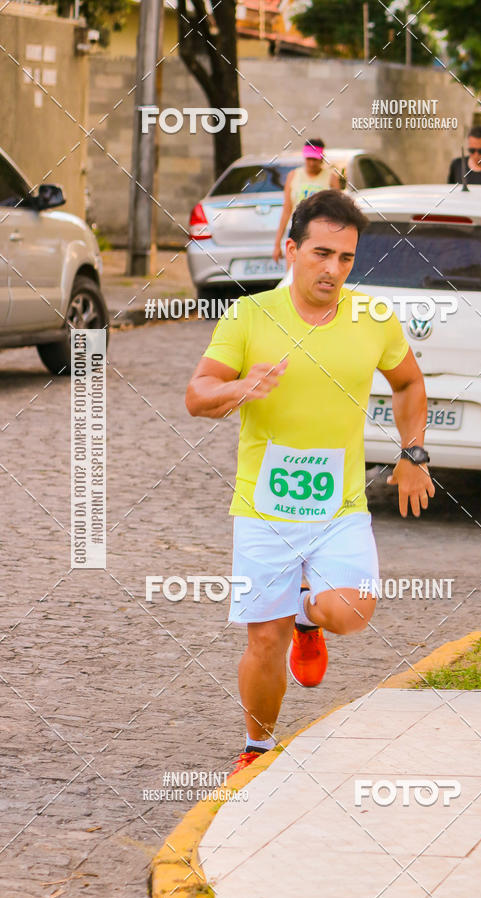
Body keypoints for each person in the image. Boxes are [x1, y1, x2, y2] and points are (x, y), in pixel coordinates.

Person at [186, 190, 435, 777]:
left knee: (350, 613)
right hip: (263, 507)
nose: (333, 269)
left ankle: (305, 612)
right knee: (264, 641)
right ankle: (257, 749)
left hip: (339, 506)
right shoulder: (249, 316)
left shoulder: (372, 318)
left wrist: (413, 454)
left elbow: (408, 384)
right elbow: (198, 395)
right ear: (290, 248)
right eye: (322, 253)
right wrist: (238, 388)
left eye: (346, 258)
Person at [272, 139, 341, 263]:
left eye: (315, 159)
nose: (312, 163)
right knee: (293, 269)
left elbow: (338, 212)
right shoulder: (293, 175)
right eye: (309, 158)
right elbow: (287, 210)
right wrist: (277, 244)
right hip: (298, 229)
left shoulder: (331, 178)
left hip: (322, 233)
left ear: (322, 158)